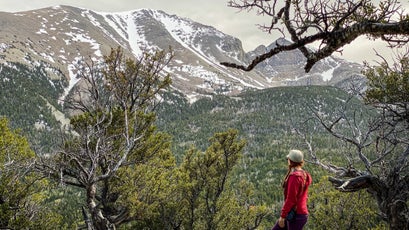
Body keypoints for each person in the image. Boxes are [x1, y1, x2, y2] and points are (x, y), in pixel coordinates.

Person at [272, 149, 312, 230]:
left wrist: (282, 216)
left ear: (290, 161)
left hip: (295, 215)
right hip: (299, 214)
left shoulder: (294, 177)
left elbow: (291, 199)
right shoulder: (305, 174)